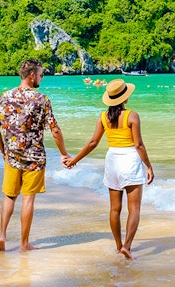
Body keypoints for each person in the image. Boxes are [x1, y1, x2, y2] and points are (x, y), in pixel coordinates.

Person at [66, 78, 154, 259]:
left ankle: (118, 245)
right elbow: (138, 145)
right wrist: (149, 166)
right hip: (130, 161)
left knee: (115, 209)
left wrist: (75, 160)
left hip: (112, 161)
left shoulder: (103, 117)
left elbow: (92, 143)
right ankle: (127, 247)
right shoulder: (132, 116)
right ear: (125, 98)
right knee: (134, 208)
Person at [0, 59, 70, 252]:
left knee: (10, 196)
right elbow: (55, 130)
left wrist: (3, 150)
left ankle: (2, 236)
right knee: (28, 199)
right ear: (32, 75)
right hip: (34, 158)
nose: (42, 79)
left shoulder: (4, 97)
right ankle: (24, 244)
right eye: (41, 75)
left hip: (11, 155)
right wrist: (64, 154)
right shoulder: (41, 99)